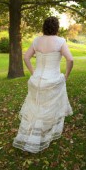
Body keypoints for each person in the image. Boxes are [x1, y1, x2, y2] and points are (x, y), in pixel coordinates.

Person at [13, 16, 74, 153]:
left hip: (36, 80)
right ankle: (44, 134)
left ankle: (34, 133)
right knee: (49, 108)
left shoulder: (37, 41)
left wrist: (33, 72)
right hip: (52, 80)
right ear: (57, 28)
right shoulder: (60, 41)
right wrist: (66, 76)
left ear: (44, 27)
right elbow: (70, 59)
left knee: (36, 107)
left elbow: (26, 57)